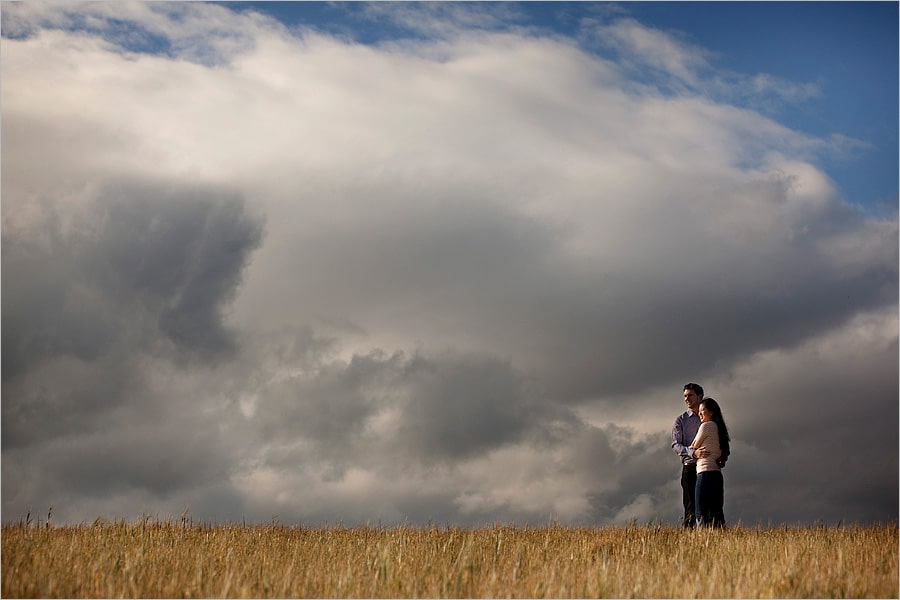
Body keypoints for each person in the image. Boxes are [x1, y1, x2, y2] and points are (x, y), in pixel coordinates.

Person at [689, 398, 731, 528]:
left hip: (705, 472)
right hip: (716, 474)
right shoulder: (719, 429)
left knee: (700, 511)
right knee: (716, 512)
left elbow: (693, 446)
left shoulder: (706, 426)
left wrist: (693, 449)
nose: (700, 414)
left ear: (711, 412)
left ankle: (704, 540)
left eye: (703, 411)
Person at [672, 383, 709, 528]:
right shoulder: (681, 420)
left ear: (700, 396)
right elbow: (676, 445)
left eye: (690, 395)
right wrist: (693, 453)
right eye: (685, 396)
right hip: (689, 467)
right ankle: (689, 537)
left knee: (709, 505)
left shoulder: (709, 417)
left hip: (707, 467)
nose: (687, 399)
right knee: (690, 506)